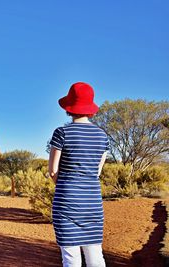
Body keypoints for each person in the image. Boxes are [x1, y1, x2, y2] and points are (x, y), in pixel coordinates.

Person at [49, 82, 109, 267]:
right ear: (90, 108)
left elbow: (52, 171)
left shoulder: (61, 133)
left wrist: (67, 185)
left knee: (71, 260)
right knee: (96, 257)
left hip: (66, 203)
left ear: (69, 107)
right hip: (92, 203)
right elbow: (96, 172)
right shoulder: (102, 136)